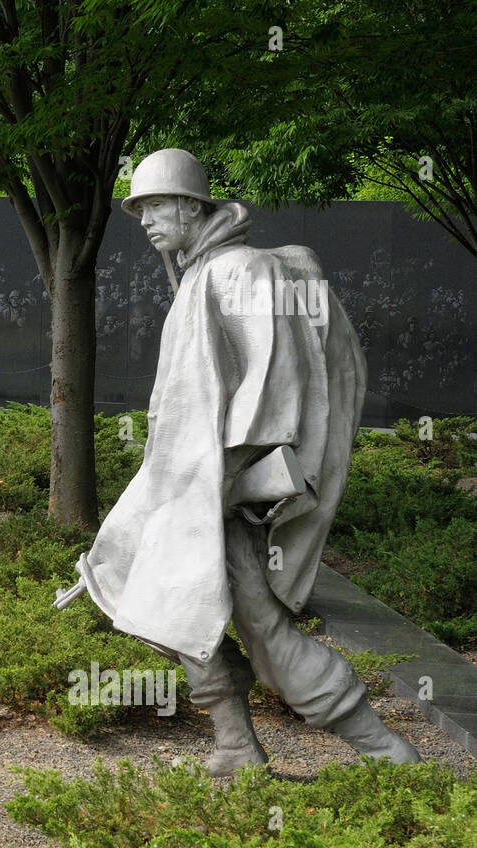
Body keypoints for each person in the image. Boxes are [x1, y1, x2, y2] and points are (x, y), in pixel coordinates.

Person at [55, 149, 419, 775]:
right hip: (195, 490)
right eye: (138, 207)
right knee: (169, 607)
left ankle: (390, 755)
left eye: (156, 204)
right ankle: (236, 746)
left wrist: (217, 487)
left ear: (192, 205)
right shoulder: (202, 273)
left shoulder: (238, 270)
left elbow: (273, 388)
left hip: (222, 491)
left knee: (263, 638)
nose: (144, 219)